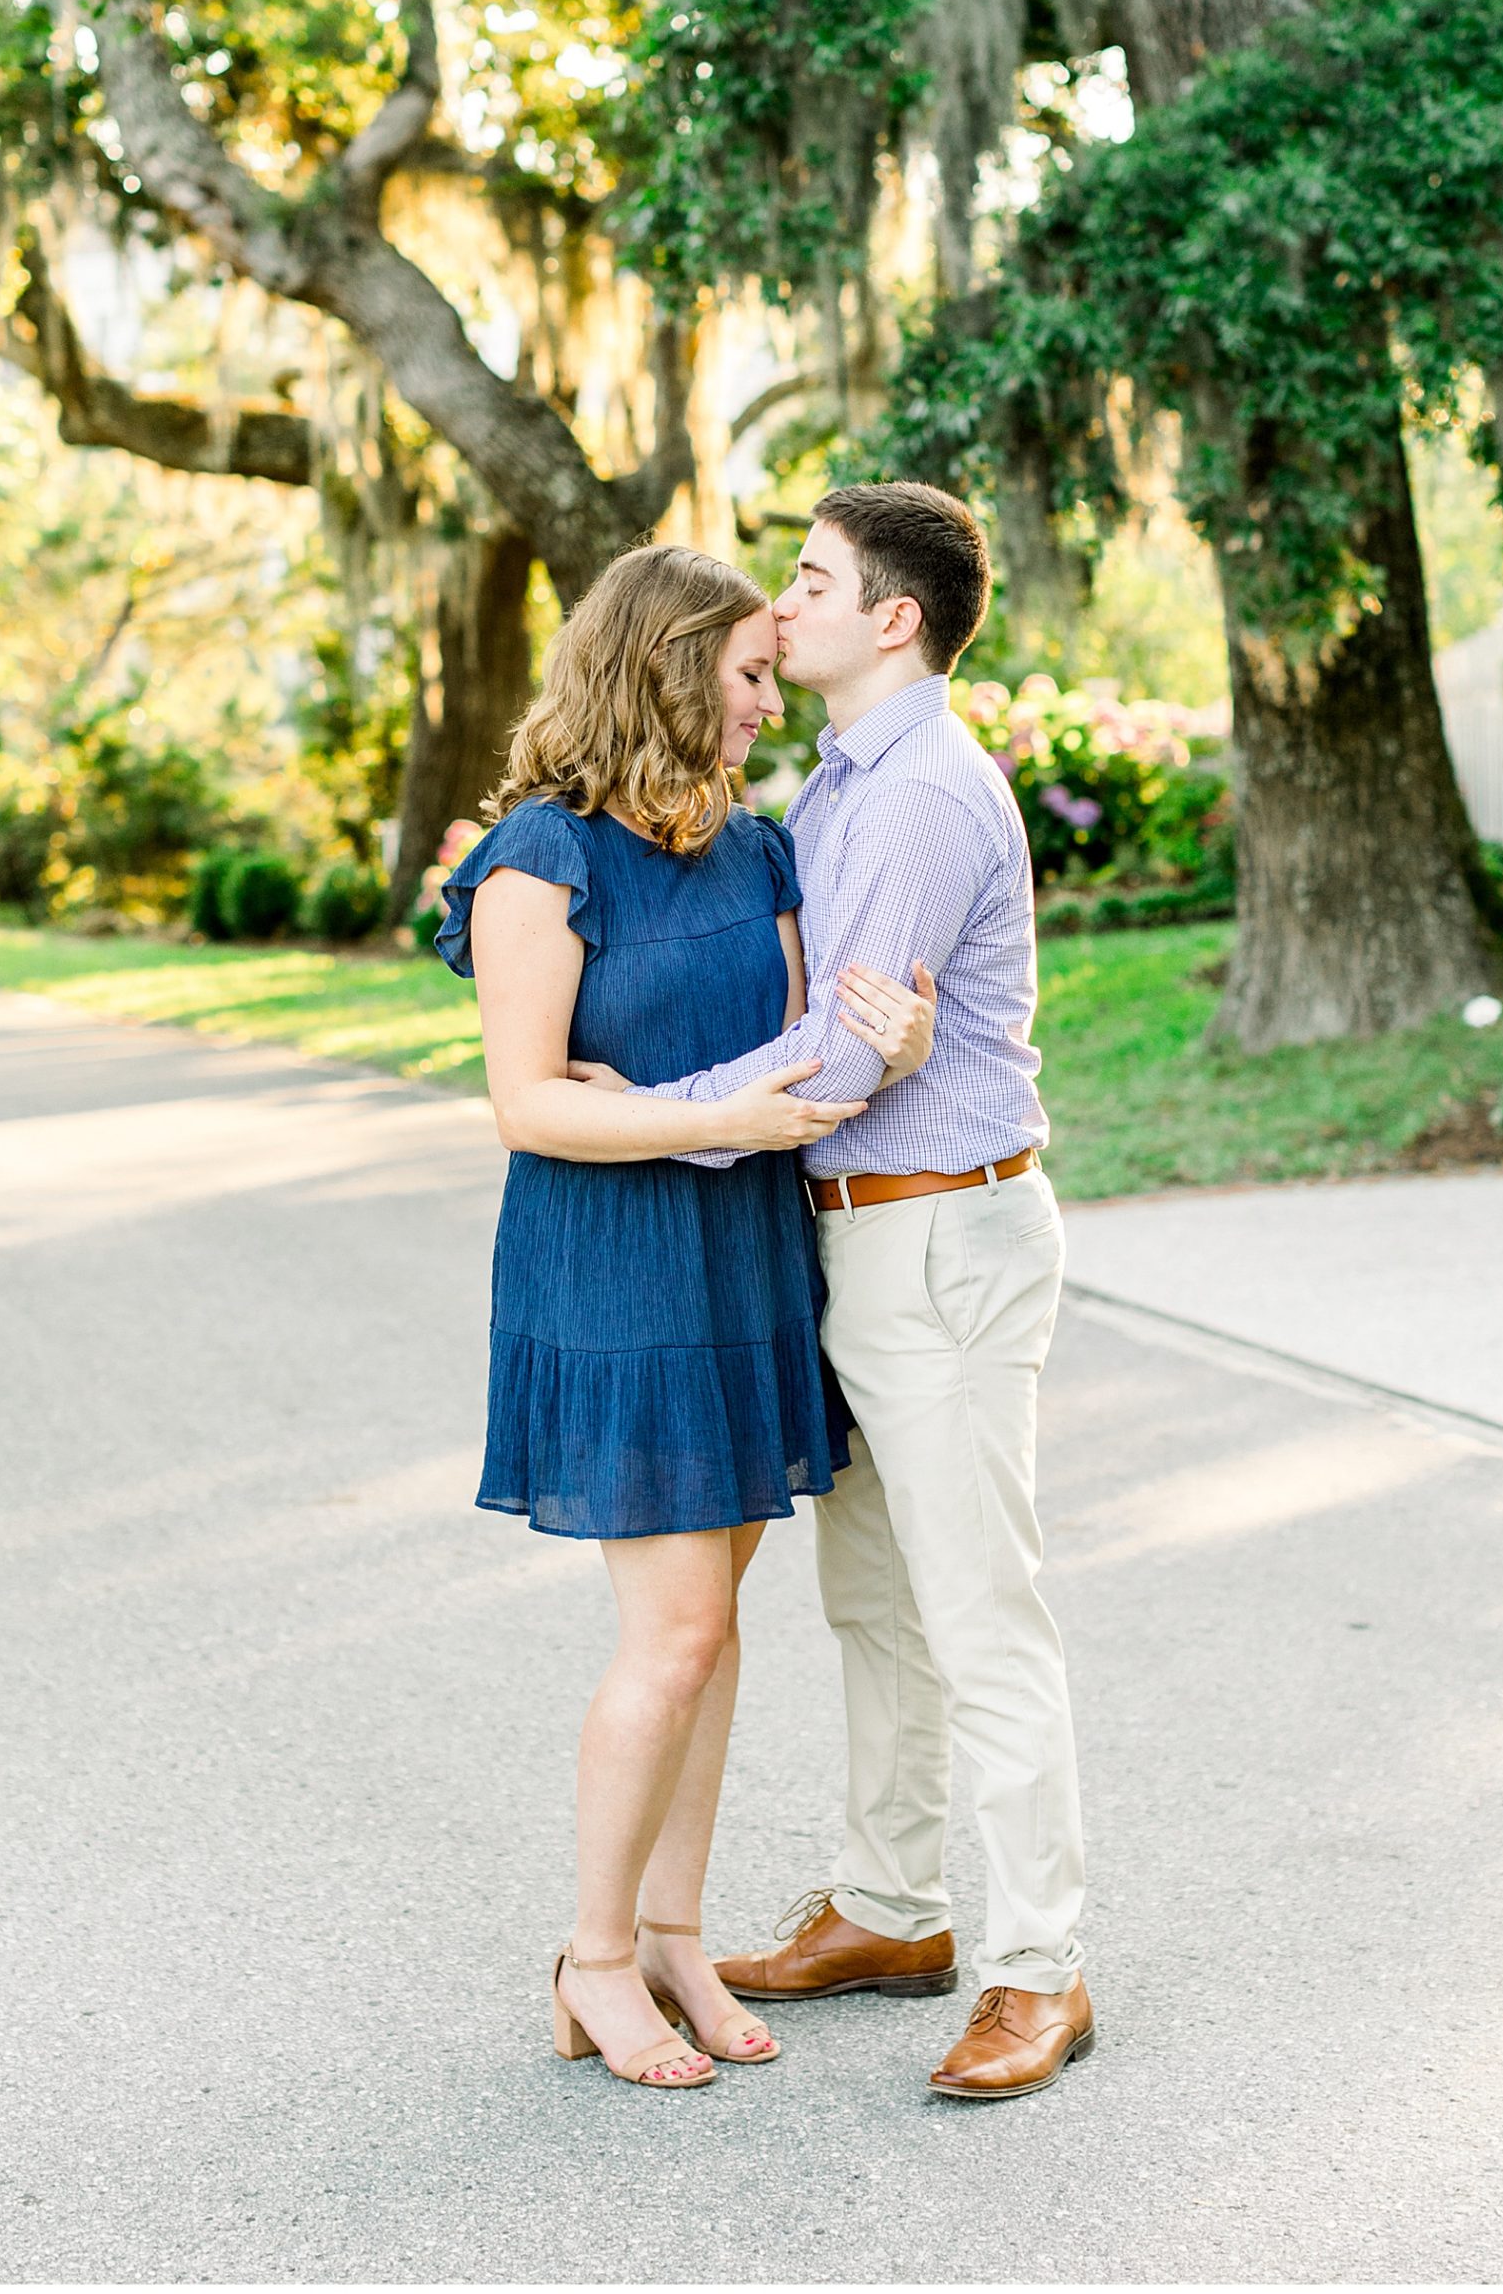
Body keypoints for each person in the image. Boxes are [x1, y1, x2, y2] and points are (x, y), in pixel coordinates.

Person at [607, 484, 1092, 2101]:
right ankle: (892, 1910)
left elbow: (829, 1059)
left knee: (977, 1615)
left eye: (811, 579)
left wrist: (642, 1119)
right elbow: (826, 1016)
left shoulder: (912, 801)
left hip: (935, 1235)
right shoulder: (840, 780)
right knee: (876, 1606)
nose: (784, 602)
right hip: (852, 1238)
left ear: (893, 618)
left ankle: (1039, 1968)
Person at [433, 544, 936, 2094]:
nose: (764, 703)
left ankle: (671, 1938)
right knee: (677, 1633)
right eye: (745, 674)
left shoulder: (755, 850)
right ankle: (590, 1958)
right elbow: (527, 1109)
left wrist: (887, 1045)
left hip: (742, 1255)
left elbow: (793, 1049)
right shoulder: (539, 856)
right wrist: (669, 1116)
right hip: (616, 1272)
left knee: (713, 1639)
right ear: (662, 669)